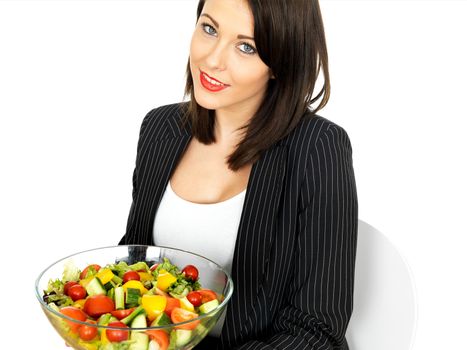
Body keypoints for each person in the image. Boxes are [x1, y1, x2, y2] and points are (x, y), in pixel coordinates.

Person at [118, 0, 358, 348]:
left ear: (280, 62)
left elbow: (316, 330)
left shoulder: (318, 147)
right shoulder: (160, 127)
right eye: (209, 28)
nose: (213, 60)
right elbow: (135, 262)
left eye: (247, 47)